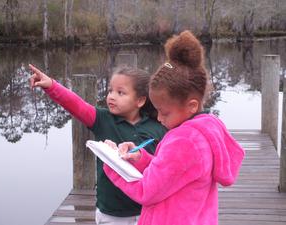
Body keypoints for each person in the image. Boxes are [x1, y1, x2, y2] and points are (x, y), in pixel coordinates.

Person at [103, 30, 245, 225]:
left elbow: (147, 191)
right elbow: (176, 173)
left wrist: (113, 166)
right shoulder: (207, 128)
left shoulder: (184, 141)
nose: (159, 118)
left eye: (164, 112)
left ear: (192, 106)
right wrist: (141, 159)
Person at [29, 64, 167, 225]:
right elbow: (77, 105)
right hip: (112, 213)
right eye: (110, 91)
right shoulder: (102, 119)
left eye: (120, 92)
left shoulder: (159, 126)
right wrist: (52, 85)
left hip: (147, 210)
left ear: (140, 100)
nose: (111, 96)